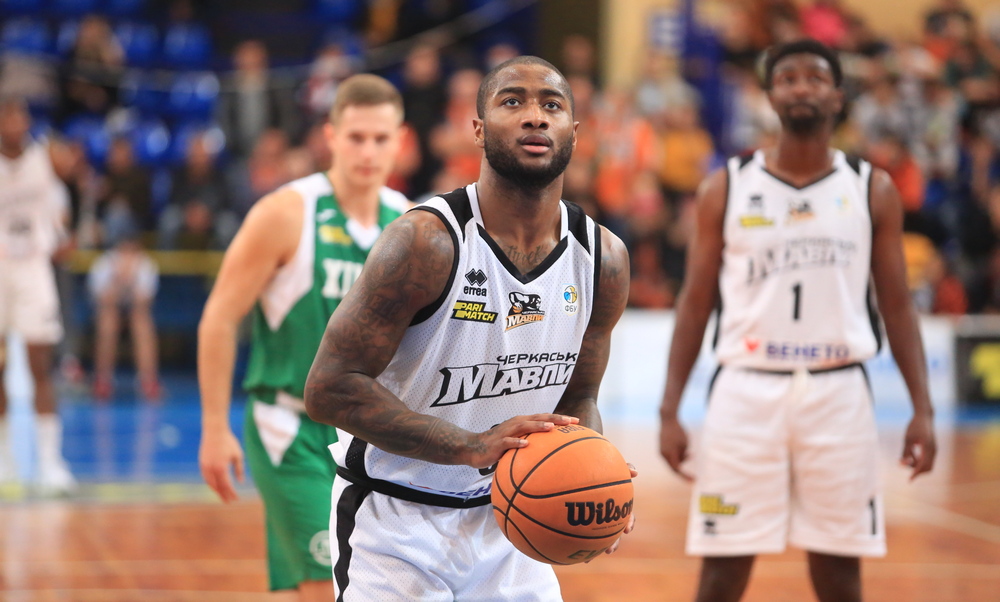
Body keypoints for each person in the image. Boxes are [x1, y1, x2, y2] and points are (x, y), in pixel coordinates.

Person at [304, 56, 635, 601]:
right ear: (477, 129)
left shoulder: (603, 260)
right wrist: (471, 445)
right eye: (513, 101)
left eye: (551, 105)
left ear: (575, 133)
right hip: (396, 525)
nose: (535, 116)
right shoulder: (425, 243)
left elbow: (580, 398)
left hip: (511, 524)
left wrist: (595, 476)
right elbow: (328, 389)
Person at [658, 39, 937, 602]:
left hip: (839, 395)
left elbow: (897, 304)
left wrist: (922, 409)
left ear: (838, 95)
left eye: (815, 77)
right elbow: (695, 302)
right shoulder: (727, 185)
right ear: (769, 96)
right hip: (744, 394)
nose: (801, 87)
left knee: (840, 573)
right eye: (787, 78)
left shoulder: (872, 188)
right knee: (721, 570)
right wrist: (669, 410)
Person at [198, 74, 410, 602]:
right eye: (355, 137)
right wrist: (214, 428)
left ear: (400, 141)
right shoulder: (285, 213)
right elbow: (219, 318)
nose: (368, 151)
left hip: (365, 437)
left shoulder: (409, 223)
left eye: (380, 138)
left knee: (306, 589)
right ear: (330, 137)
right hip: (290, 427)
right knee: (329, 586)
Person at [0, 97, 76, 494]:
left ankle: (49, 463)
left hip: (33, 267)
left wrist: (67, 232)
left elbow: (80, 178)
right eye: (8, 116)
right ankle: (5, 461)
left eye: (21, 115)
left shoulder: (45, 155)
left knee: (39, 364)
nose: (16, 123)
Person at [88, 228, 160, 401]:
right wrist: (119, 278)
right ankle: (103, 379)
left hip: (135, 310)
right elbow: (104, 299)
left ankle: (148, 379)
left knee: (141, 321)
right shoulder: (104, 263)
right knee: (108, 320)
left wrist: (131, 278)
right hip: (109, 309)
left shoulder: (145, 263)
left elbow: (143, 301)